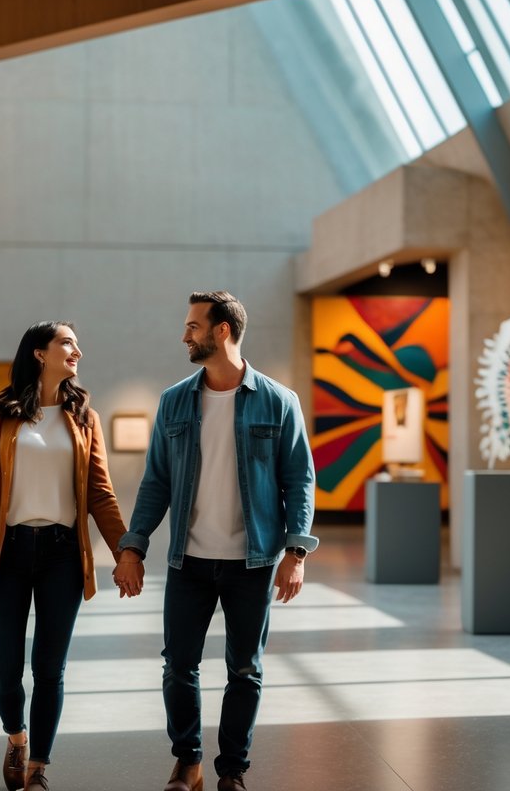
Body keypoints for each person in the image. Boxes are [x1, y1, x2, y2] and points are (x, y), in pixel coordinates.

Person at [113, 291, 317, 791]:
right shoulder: (175, 400)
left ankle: (232, 771)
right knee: (178, 665)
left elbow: (300, 480)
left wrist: (295, 553)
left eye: (193, 326)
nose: (185, 335)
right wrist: (133, 546)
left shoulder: (278, 400)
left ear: (222, 330)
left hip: (254, 561)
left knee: (245, 669)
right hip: (189, 560)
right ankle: (189, 761)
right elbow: (155, 481)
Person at [0, 321, 143, 791]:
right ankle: (16, 736)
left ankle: (39, 766)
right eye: (67, 342)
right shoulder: (0, 413)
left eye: (77, 343)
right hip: (8, 553)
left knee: (49, 667)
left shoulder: (85, 417)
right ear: (40, 353)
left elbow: (101, 494)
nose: (77, 350)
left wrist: (127, 552)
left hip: (63, 554)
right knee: (4, 671)